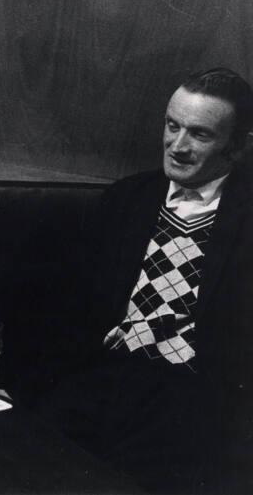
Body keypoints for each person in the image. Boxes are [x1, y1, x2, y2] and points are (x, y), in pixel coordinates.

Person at [41, 68, 253, 493]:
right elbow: (71, 311)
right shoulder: (126, 200)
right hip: (106, 383)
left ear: (237, 149)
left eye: (199, 134)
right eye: (172, 126)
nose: (178, 147)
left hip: (192, 401)